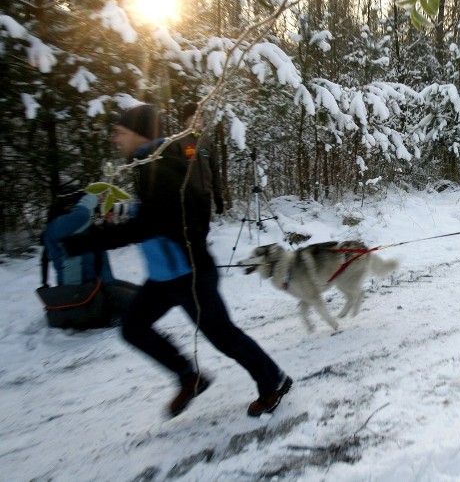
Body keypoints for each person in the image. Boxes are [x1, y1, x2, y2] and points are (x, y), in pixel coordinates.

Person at [63, 104, 291, 418]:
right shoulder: (149, 164)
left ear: (139, 134)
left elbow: (152, 224)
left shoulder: (162, 165)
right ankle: (189, 377)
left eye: (120, 133)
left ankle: (273, 380)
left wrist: (88, 241)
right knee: (133, 327)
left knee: (223, 336)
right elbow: (157, 218)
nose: (115, 140)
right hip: (164, 275)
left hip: (189, 272)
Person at [41, 187, 139, 323]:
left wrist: (108, 223)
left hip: (103, 284)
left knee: (147, 294)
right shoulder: (57, 225)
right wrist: (94, 195)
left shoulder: (79, 227)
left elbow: (104, 241)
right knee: (144, 306)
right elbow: (81, 216)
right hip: (84, 293)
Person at [177, 101, 224, 234]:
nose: (198, 121)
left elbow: (215, 169)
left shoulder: (207, 141)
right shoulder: (179, 142)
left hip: (205, 196)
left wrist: (218, 196)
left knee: (204, 230)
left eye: (200, 118)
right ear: (186, 121)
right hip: (188, 198)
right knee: (191, 233)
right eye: (193, 118)